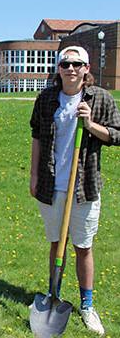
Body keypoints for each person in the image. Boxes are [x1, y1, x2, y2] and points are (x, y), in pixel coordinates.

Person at [30, 46, 120, 335]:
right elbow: (36, 136)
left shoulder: (100, 98)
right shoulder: (45, 99)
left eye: (77, 64)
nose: (71, 69)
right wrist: (33, 174)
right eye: (65, 64)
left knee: (83, 247)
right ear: (58, 69)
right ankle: (52, 294)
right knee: (56, 244)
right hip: (51, 184)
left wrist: (90, 124)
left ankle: (87, 305)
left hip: (84, 187)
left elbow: (117, 134)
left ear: (86, 68)